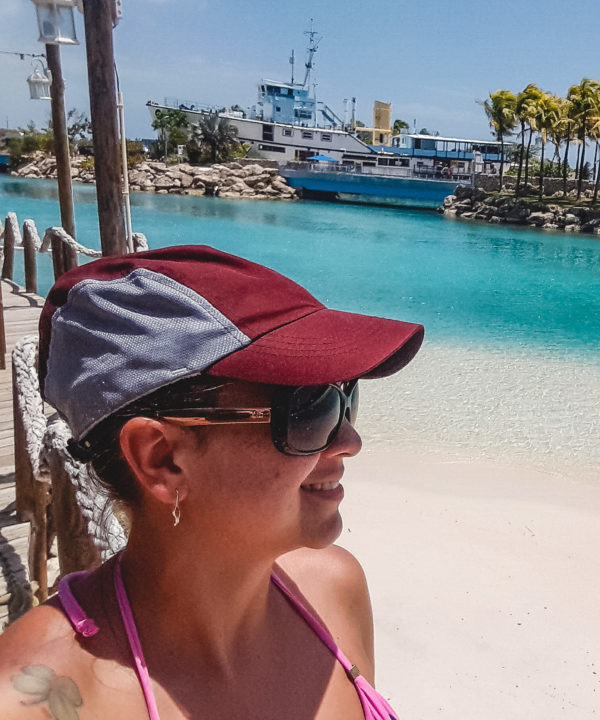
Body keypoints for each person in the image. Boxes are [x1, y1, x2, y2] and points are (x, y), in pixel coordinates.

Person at [0, 245, 424, 720]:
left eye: (346, 397)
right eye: (309, 408)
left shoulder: (335, 587)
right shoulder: (29, 702)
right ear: (162, 459)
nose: (349, 440)